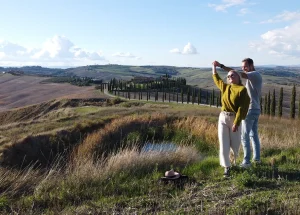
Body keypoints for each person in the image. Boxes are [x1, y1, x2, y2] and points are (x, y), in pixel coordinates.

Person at [214, 58, 262, 168]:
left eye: (245, 66)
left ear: (251, 65)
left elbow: (236, 73)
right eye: (242, 66)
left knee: (244, 136)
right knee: (253, 135)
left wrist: (221, 66)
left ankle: (246, 162)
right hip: (256, 109)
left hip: (250, 109)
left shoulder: (254, 74)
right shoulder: (254, 76)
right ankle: (257, 159)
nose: (243, 69)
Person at [211, 61, 250, 177]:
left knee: (235, 144)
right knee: (223, 143)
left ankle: (234, 162)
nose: (230, 77)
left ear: (238, 77)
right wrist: (214, 67)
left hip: (234, 119)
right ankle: (226, 167)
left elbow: (242, 108)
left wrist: (236, 123)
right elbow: (216, 79)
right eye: (228, 76)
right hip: (223, 117)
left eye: (232, 75)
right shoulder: (225, 87)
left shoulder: (242, 90)